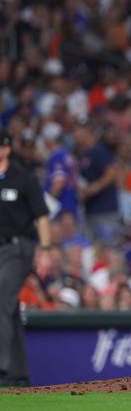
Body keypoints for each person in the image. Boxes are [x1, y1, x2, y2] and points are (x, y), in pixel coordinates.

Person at [0, 129, 53, 387]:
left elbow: (41, 215)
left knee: (1, 296)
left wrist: (44, 250)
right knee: (7, 309)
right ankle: (18, 375)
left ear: (6, 149)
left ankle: (1, 368)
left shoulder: (22, 178)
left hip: (17, 248)